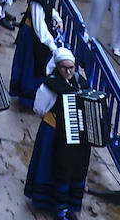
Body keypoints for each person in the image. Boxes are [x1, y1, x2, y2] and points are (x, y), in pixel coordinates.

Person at [24, 48, 93, 220]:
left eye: (72, 67)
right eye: (65, 68)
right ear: (57, 67)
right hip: (53, 132)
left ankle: (71, 201)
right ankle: (51, 201)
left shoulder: (80, 83)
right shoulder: (50, 85)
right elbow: (39, 107)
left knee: (75, 165)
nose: (69, 72)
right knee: (52, 163)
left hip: (76, 135)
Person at [11, 0, 61, 108]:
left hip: (38, 35)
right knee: (32, 63)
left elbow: (49, 10)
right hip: (33, 37)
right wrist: (51, 44)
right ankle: (28, 97)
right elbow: (39, 26)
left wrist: (57, 19)